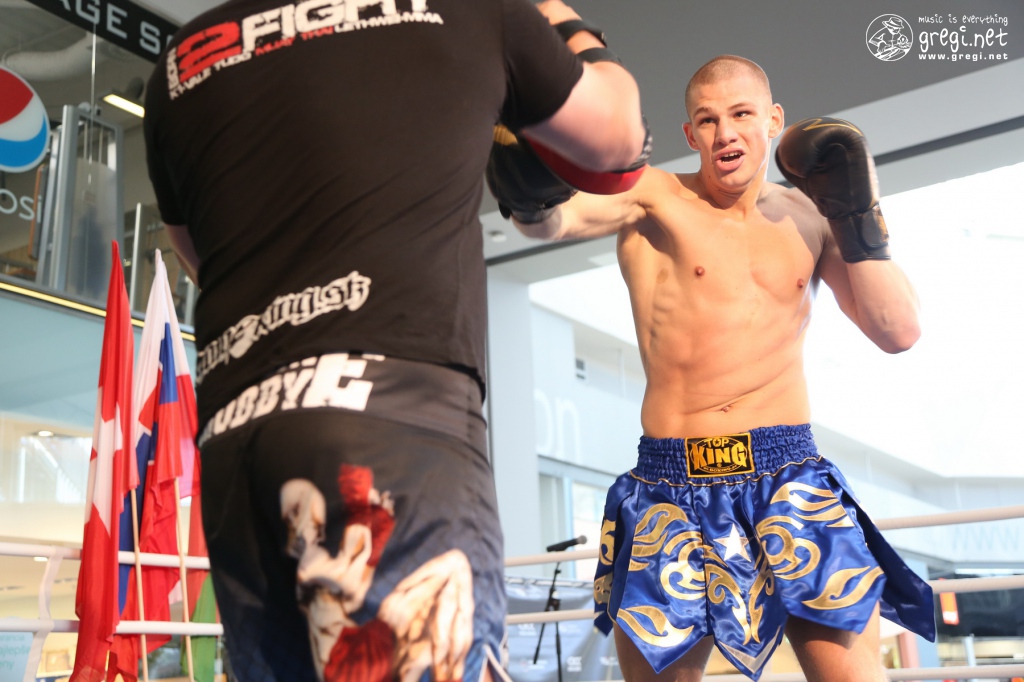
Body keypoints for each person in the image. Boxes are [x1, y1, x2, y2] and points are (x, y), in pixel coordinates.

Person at [141, 0, 649, 679]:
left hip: (237, 437)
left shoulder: (179, 63)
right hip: (389, 420)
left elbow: (200, 256)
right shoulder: (471, 8)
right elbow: (618, 138)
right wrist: (557, 17)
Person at [500, 55, 936, 682]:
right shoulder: (654, 196)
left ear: (774, 120)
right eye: (707, 120)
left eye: (740, 114)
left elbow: (898, 330)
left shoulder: (811, 216)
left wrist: (858, 211)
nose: (725, 132)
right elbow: (556, 220)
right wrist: (527, 194)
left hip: (789, 475)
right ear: (690, 133)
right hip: (671, 484)